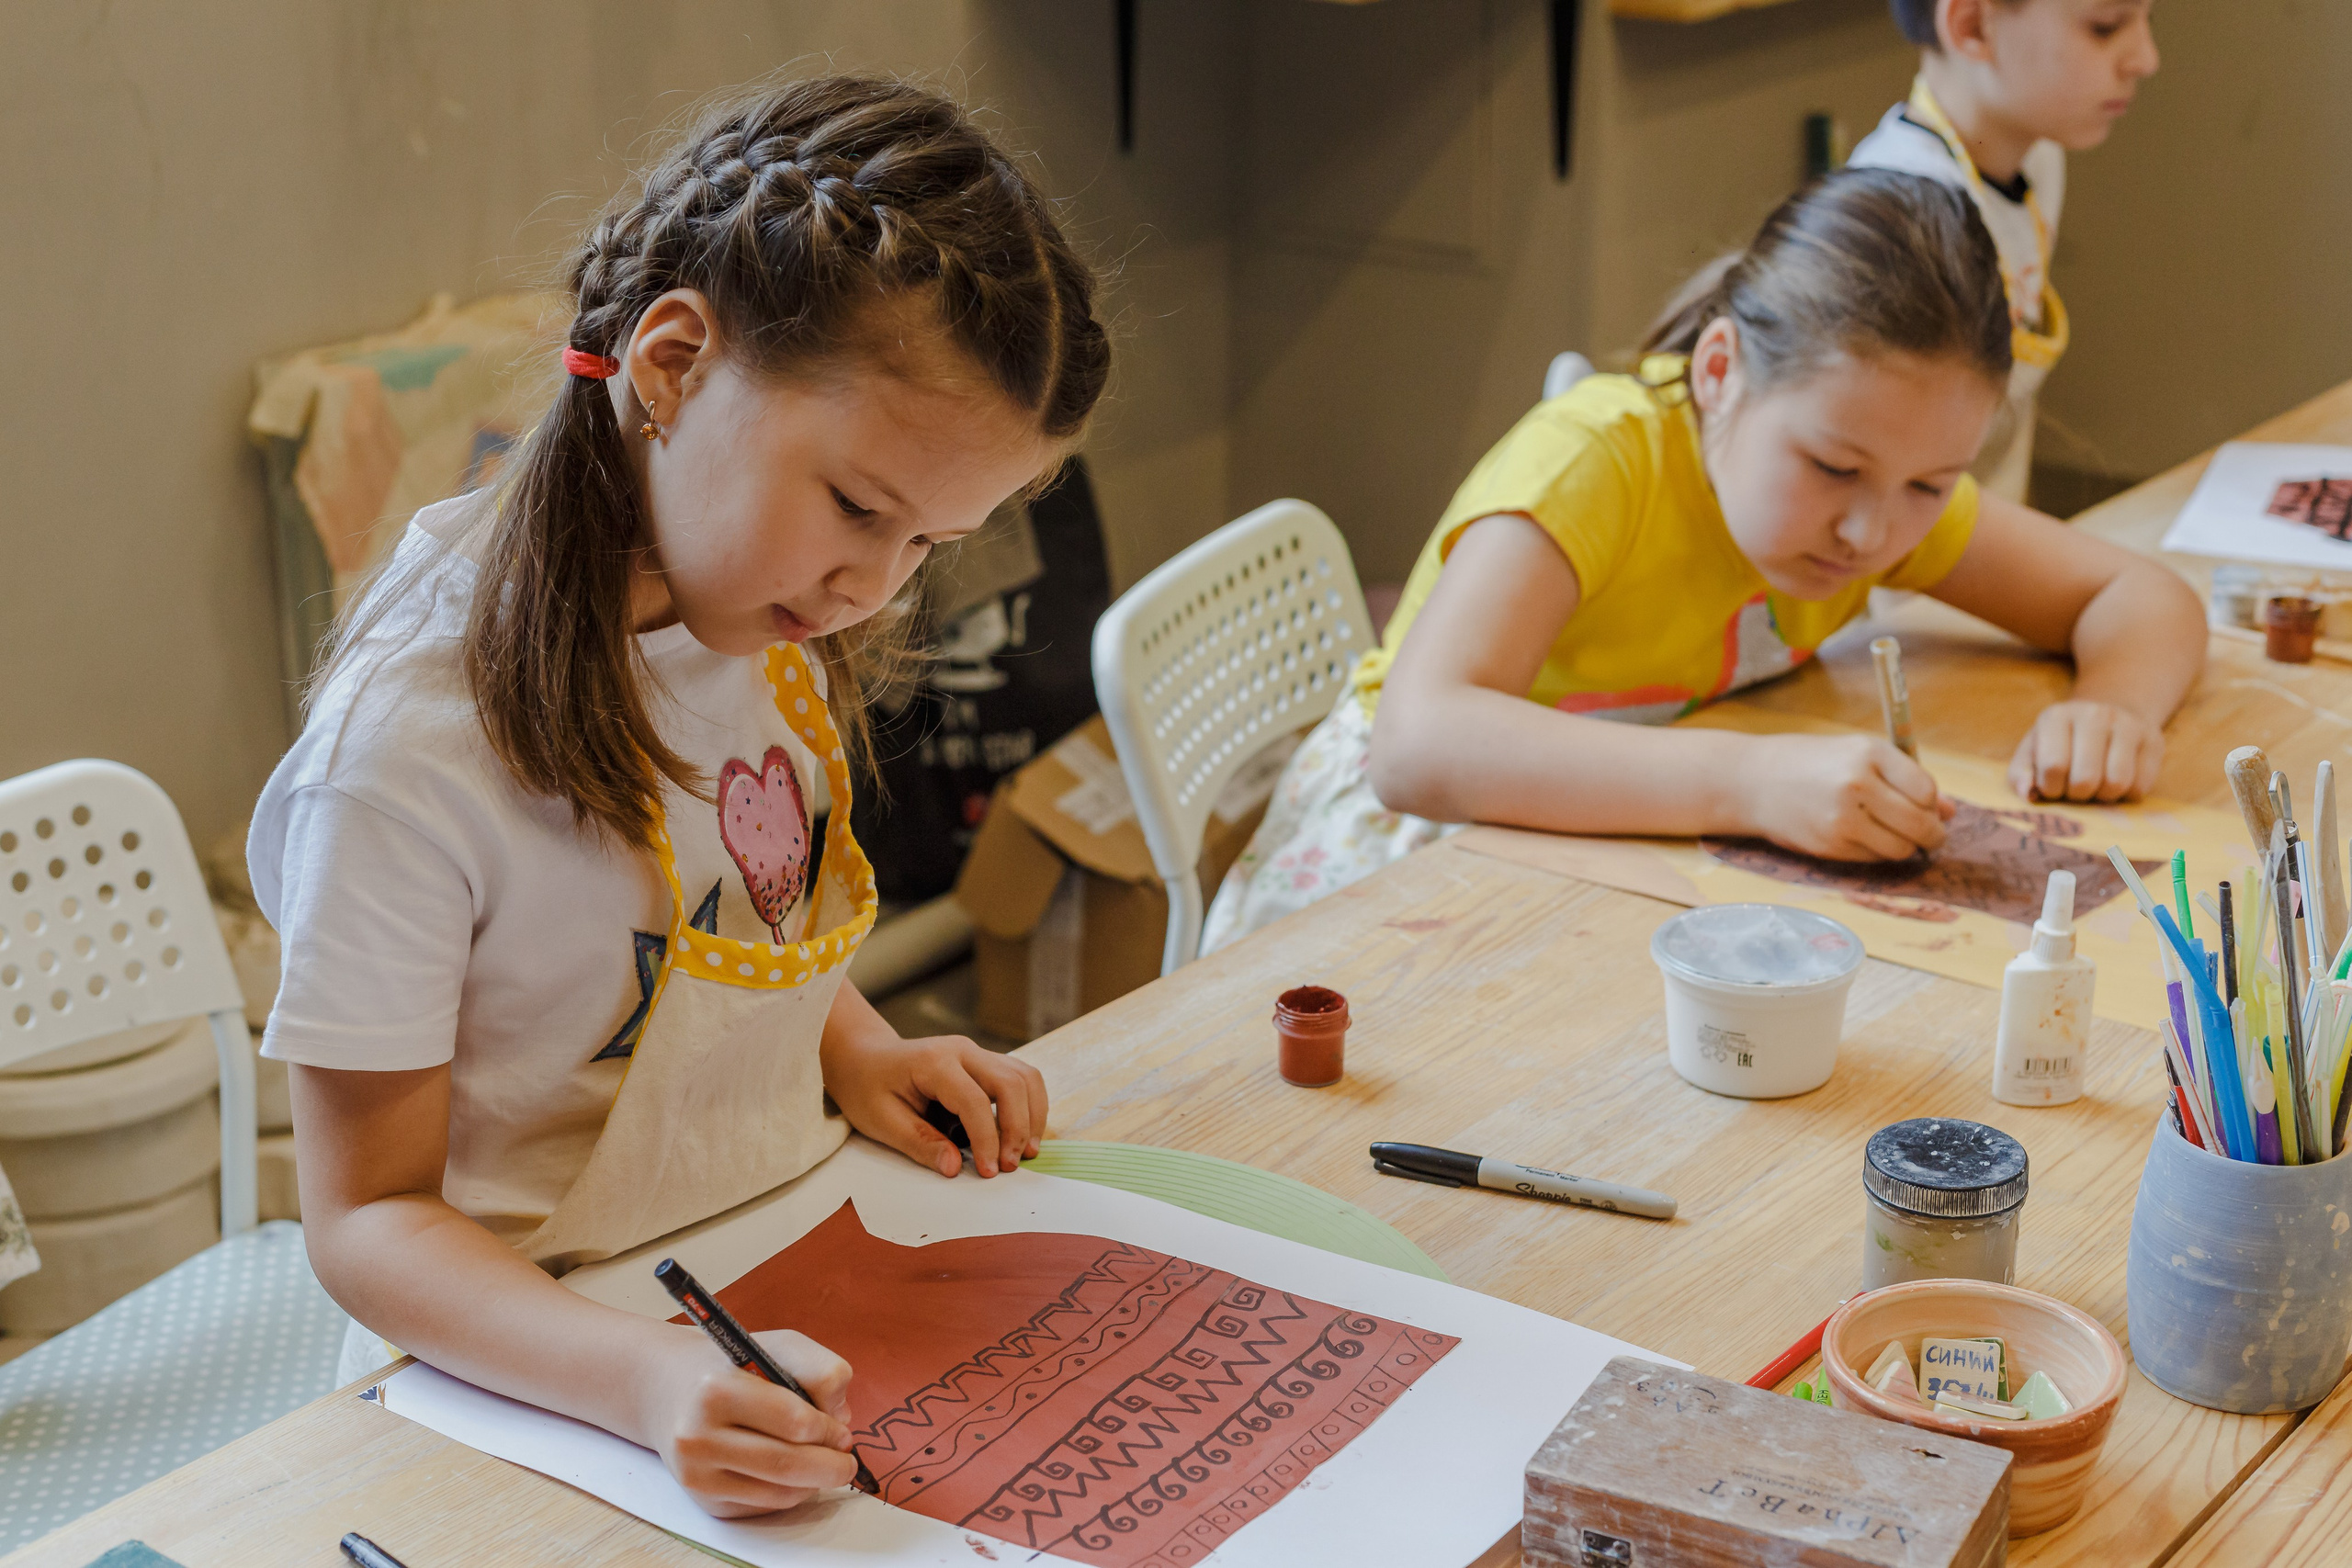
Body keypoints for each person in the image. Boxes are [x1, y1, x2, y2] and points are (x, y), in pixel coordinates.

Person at [250, 75, 1107, 1517]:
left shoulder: (752, 610)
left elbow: (703, 906)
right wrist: (645, 1377)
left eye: (929, 542)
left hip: (769, 1255)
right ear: (671, 365)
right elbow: (369, 1217)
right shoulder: (404, 761)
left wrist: (852, 1040)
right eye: (856, 506)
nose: (872, 586)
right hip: (527, 1380)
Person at [1202, 168, 2201, 954]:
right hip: (1409, 863)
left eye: (1929, 487)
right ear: (1719, 372)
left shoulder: (1873, 486)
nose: (1869, 533)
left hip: (1618, 849)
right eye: (1831, 466)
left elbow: (2138, 594)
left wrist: (2114, 705)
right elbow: (1419, 749)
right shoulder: (1598, 462)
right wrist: (1751, 782)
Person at [1847, 0, 2160, 501]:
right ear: (1972, 26)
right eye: (2105, 28)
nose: (2146, 59)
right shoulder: (1903, 222)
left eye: (2151, 19)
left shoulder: (2037, 158)